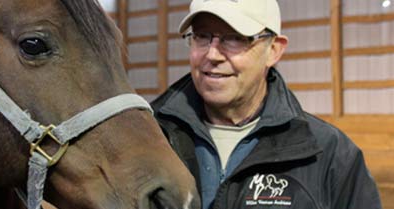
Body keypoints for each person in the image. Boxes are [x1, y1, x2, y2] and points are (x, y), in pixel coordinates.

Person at [150, 0, 382, 208]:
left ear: (273, 50)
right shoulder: (150, 138)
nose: (212, 54)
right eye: (201, 36)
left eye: (234, 38)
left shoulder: (330, 153)